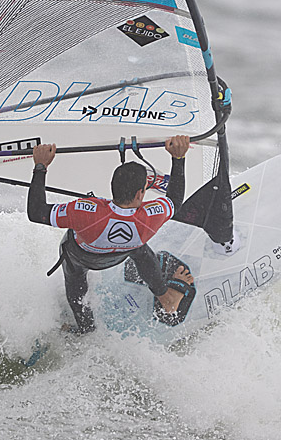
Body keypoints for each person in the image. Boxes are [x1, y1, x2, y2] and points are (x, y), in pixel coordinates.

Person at [27, 136, 195, 334]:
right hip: (121, 255)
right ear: (141, 194)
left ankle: (85, 328)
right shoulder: (151, 216)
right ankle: (165, 298)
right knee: (141, 250)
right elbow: (175, 200)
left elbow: (36, 212)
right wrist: (179, 157)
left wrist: (40, 166)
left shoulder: (84, 212)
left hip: (80, 257)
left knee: (75, 287)